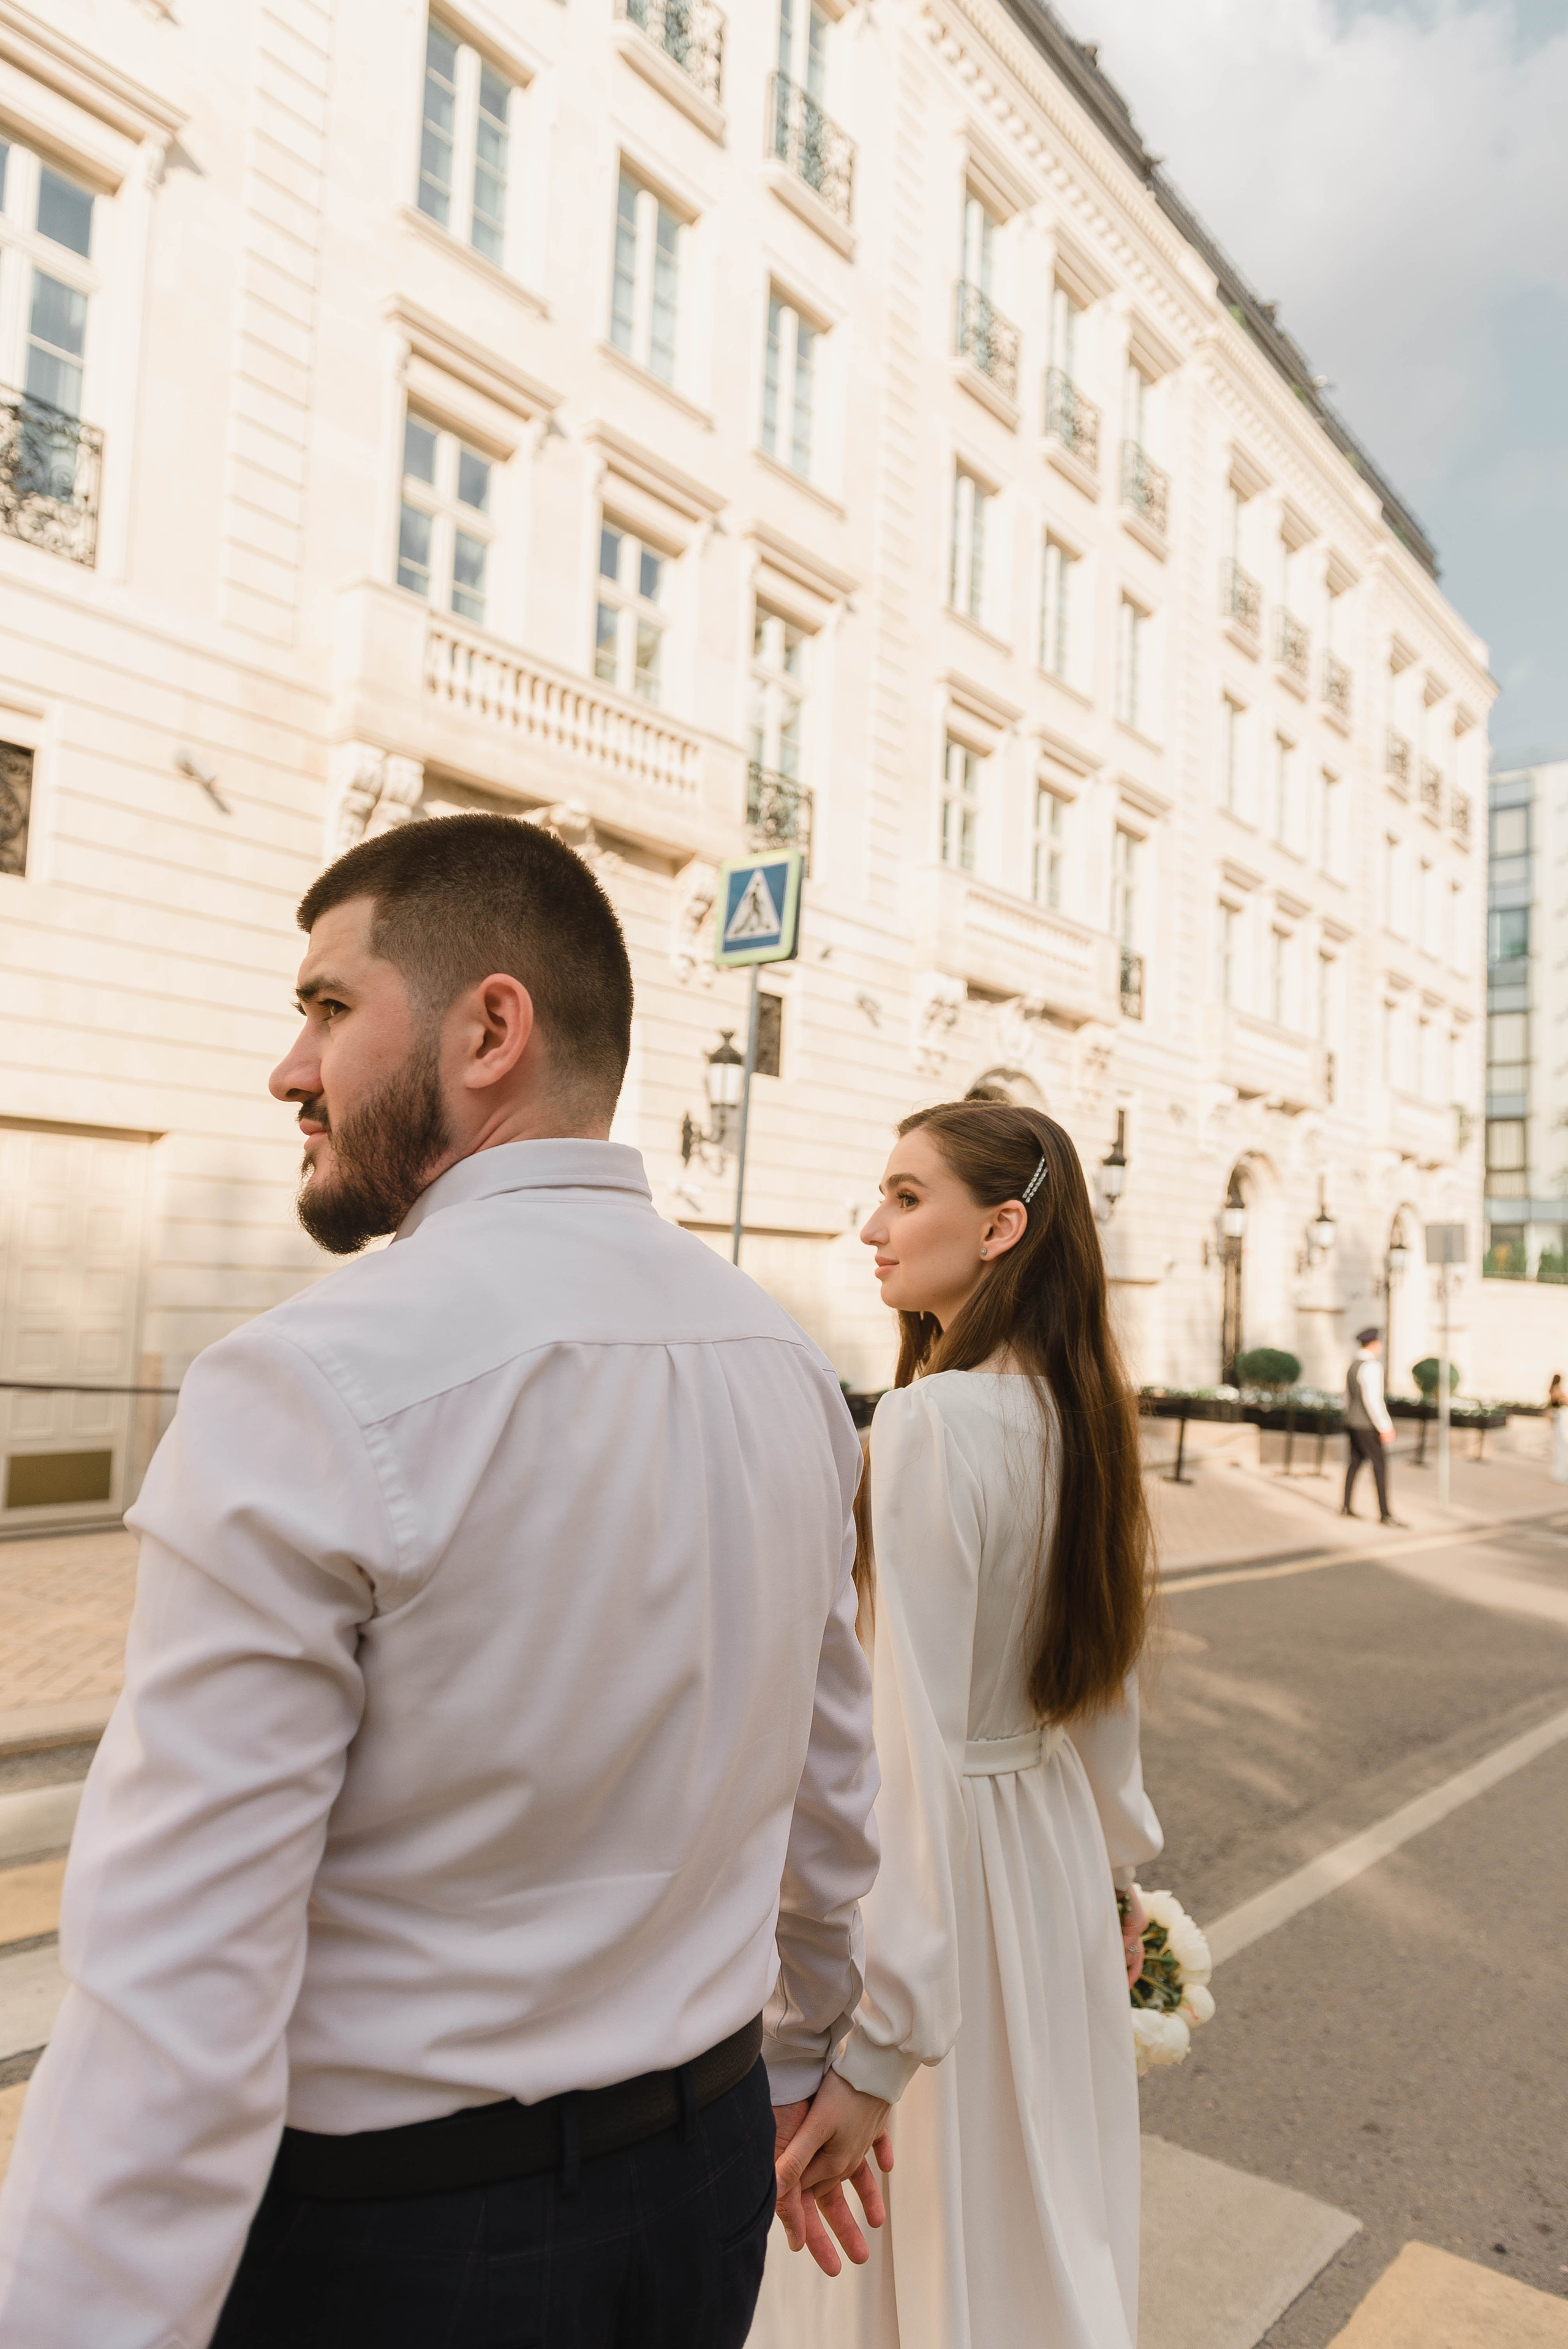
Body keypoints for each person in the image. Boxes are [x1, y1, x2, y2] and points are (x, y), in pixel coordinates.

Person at [0, 812, 883, 2349]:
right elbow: (833, 1790)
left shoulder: (305, 1380)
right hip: (699, 2193)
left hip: (401, 2246)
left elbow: (181, 1977)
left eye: (329, 1005)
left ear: (488, 1029)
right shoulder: (787, 1365)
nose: (288, 1068)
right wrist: (808, 2046)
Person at [756, 1099, 1163, 2349]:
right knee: (1038, 2213)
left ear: (999, 1228)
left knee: (934, 2237)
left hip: (946, 1887)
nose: (870, 1227)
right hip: (1047, 1862)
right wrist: (1115, 1869)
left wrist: (876, 2044)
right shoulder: (1086, 1415)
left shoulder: (928, 1423)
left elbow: (906, 1740)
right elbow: (1100, 1687)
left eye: (905, 1195)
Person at [1342, 1326, 1400, 1524]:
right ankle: (1385, 1514)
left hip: (1352, 1421)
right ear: (1374, 1344)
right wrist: (1385, 1426)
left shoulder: (1352, 1364)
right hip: (1367, 1425)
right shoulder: (1372, 1367)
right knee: (1380, 1466)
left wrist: (1348, 1415)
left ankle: (1346, 1506)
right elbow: (1373, 1400)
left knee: (1355, 1463)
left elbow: (1346, 1396)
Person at [1549, 1373, 1568, 1483]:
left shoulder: (1552, 1389)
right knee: (1561, 1447)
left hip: (1556, 1418)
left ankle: (1559, 1473)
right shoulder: (1557, 1389)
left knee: (1560, 1446)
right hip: (1558, 1419)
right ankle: (1560, 1474)